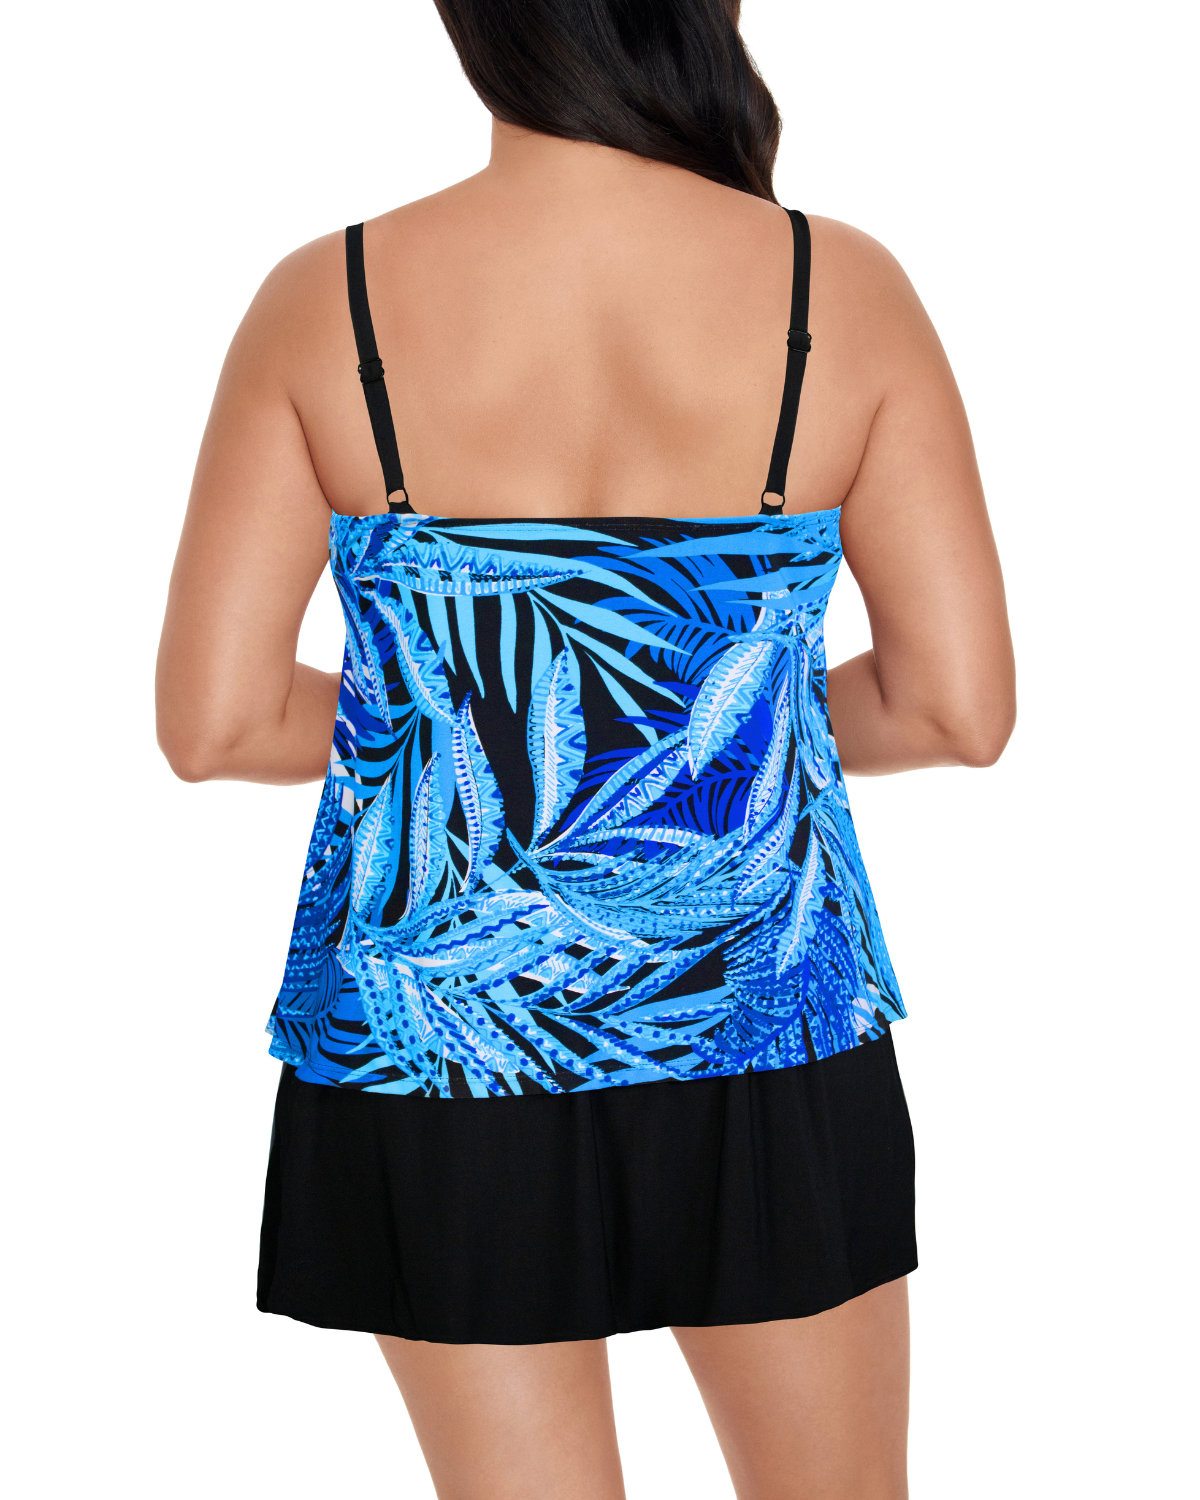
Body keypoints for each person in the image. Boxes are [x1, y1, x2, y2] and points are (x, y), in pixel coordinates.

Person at [156, 1, 1015, 1494]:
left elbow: (216, 721)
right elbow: (957, 706)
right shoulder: (834, 287)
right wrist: (704, 727)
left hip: (442, 1040)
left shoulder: (330, 298)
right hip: (763, 1018)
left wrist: (475, 733)